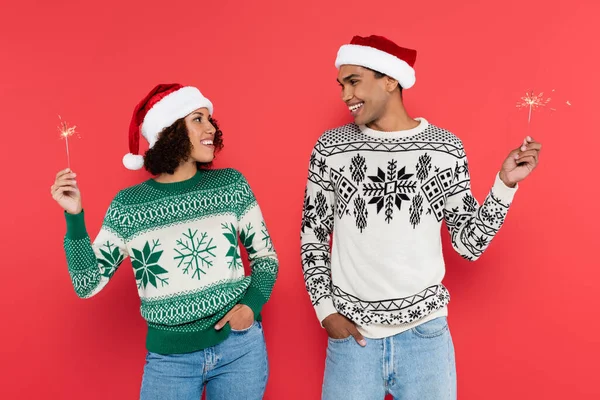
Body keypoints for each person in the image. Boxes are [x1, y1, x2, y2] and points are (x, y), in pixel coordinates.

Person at [300, 35, 541, 399]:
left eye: (354, 81)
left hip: (424, 339)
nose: (345, 95)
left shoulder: (445, 149)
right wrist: (326, 312)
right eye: (341, 85)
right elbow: (313, 235)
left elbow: (468, 244)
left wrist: (504, 185)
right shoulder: (331, 148)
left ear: (390, 80)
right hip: (352, 340)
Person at [51, 83, 278, 399]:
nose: (211, 127)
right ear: (170, 132)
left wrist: (251, 308)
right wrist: (74, 217)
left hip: (239, 349)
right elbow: (87, 283)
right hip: (170, 361)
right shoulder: (129, 206)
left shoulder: (231, 185)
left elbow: (265, 257)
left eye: (210, 119)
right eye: (198, 119)